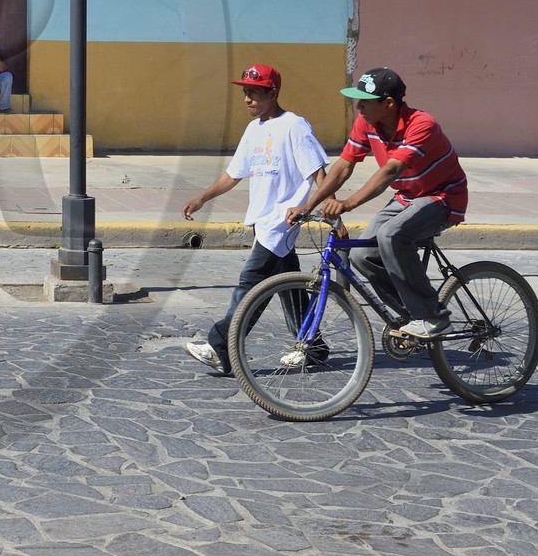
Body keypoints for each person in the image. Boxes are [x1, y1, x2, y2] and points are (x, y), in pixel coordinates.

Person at [286, 67, 467, 339]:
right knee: (361, 256)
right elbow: (344, 166)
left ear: (389, 104)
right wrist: (308, 205)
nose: (358, 107)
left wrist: (348, 204)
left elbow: (389, 172)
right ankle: (412, 316)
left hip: (442, 197)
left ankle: (433, 317)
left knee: (391, 234)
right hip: (407, 197)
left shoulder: (422, 125)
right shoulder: (367, 123)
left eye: (365, 102)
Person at [181, 64, 329, 375]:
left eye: (254, 93)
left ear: (273, 92)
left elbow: (317, 171)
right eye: (245, 93)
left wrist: (325, 204)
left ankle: (222, 348)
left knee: (250, 286)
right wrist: (202, 198)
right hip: (262, 221)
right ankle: (312, 346)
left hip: (281, 221)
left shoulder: (294, 127)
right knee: (289, 286)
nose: (247, 99)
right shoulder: (254, 130)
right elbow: (233, 174)